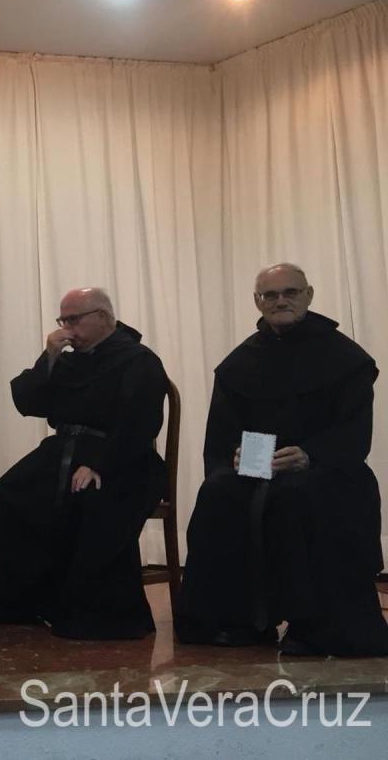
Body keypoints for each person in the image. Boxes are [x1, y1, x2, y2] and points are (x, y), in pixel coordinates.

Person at [175, 263, 388, 656]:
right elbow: (222, 434)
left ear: (308, 295)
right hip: (258, 467)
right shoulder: (242, 361)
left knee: (296, 496)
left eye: (290, 292)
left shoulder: (345, 358)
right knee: (218, 492)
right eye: (270, 295)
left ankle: (313, 628)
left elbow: (354, 433)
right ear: (257, 302)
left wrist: (310, 455)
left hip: (325, 468)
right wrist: (237, 455)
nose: (280, 301)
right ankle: (231, 622)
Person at [0, 288, 167, 639]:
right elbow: (27, 402)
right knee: (5, 500)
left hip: (122, 457)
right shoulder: (69, 360)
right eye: (63, 320)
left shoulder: (138, 360)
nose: (66, 328)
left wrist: (99, 464)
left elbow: (141, 422)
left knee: (91, 501)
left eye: (74, 320)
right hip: (62, 451)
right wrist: (49, 357)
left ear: (103, 317)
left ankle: (89, 611)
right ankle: (18, 602)